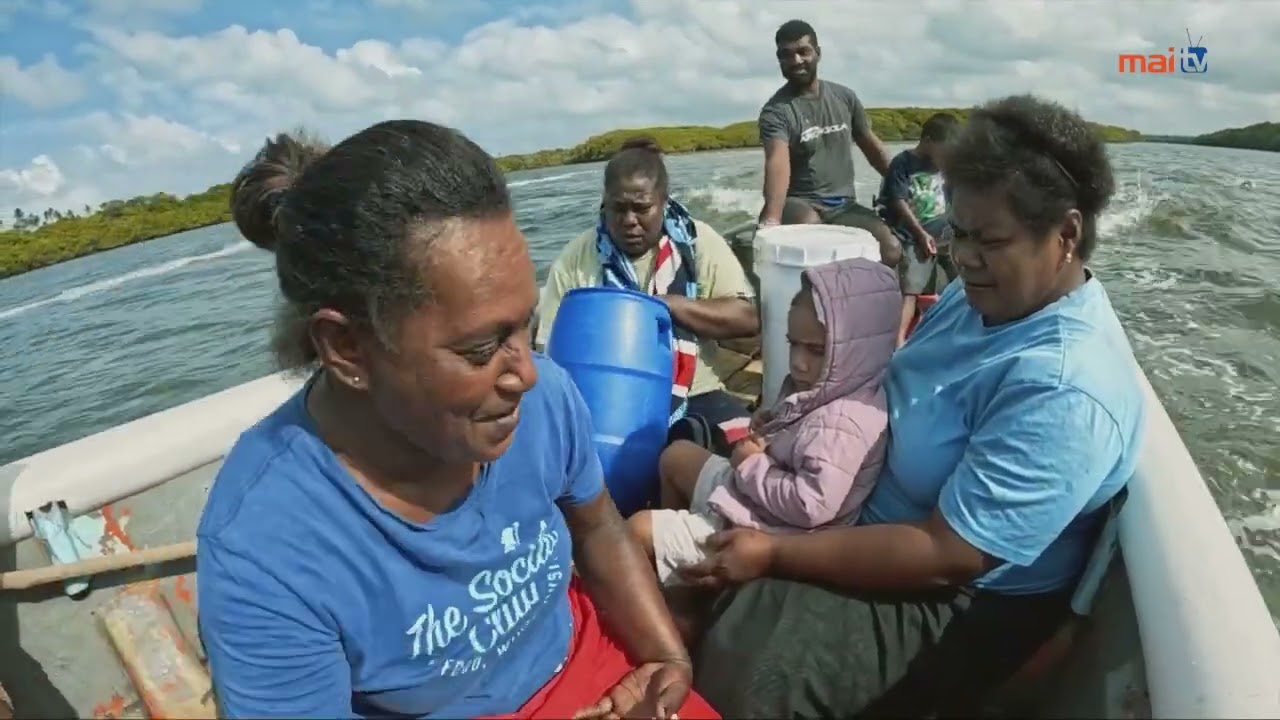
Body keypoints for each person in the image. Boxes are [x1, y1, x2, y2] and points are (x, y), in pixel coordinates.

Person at [197, 120, 720, 720]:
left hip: (586, 659)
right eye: (480, 348)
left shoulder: (543, 397)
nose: (524, 372)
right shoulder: (267, 551)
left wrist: (664, 659)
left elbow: (598, 528)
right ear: (348, 349)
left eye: (525, 325)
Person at [686, 94, 1147, 717]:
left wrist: (774, 553)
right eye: (958, 232)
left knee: (756, 661)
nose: (963, 256)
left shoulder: (1064, 385)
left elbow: (946, 556)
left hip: (958, 600)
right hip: (850, 499)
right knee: (691, 461)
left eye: (988, 240)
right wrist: (798, 415)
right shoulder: (983, 296)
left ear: (1065, 235)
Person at [628, 257, 898, 590]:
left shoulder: (845, 420)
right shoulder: (828, 388)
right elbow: (800, 442)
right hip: (755, 498)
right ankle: (680, 575)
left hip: (771, 529)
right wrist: (771, 424)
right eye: (793, 344)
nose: (798, 363)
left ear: (855, 349)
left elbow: (810, 505)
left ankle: (683, 594)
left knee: (637, 528)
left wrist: (752, 465)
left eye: (815, 350)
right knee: (677, 456)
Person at [537, 138, 760, 455]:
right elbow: (549, 350)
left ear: (664, 202)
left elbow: (745, 318)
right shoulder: (576, 258)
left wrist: (669, 307)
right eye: (618, 208)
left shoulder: (699, 243)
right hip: (606, 401)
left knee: (751, 456)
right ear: (604, 202)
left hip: (693, 392)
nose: (629, 220)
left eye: (641, 208)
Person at [757, 19, 902, 267]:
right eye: (786, 55)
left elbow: (871, 146)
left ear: (818, 53)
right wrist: (771, 220)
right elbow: (777, 162)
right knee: (814, 237)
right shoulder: (776, 111)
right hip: (800, 203)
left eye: (803, 52)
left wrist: (903, 184)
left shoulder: (844, 97)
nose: (796, 61)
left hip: (845, 205)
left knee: (891, 248)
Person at [877, 112, 961, 346]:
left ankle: (959, 330)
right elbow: (898, 201)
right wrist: (921, 235)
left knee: (962, 280)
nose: (947, 157)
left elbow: (954, 199)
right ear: (928, 141)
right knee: (911, 290)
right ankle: (899, 341)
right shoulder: (903, 163)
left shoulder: (946, 167)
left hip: (944, 234)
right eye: (944, 150)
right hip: (912, 235)